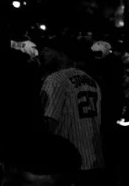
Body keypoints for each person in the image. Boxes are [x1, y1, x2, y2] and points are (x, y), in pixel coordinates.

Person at [40, 39, 105, 174]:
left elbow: (49, 122)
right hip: (93, 157)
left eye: (47, 50)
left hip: (67, 161)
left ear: (61, 54)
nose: (42, 54)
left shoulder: (55, 80)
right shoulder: (91, 80)